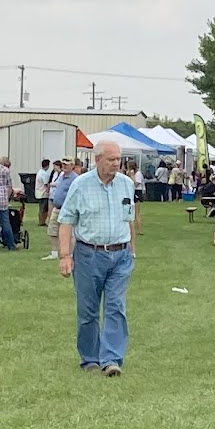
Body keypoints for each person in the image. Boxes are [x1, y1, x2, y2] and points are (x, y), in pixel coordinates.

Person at [56, 139, 139, 376]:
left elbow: (129, 219)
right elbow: (66, 221)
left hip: (120, 255)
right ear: (98, 159)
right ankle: (90, 359)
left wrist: (132, 250)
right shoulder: (81, 185)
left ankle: (112, 359)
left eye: (118, 159)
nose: (116, 164)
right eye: (111, 159)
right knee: (88, 310)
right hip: (88, 254)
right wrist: (65, 255)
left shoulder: (126, 184)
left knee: (115, 307)